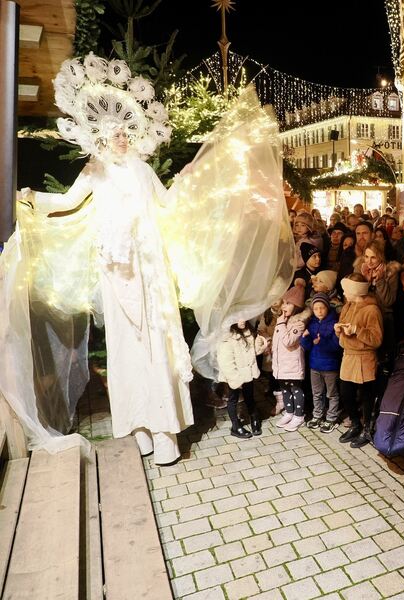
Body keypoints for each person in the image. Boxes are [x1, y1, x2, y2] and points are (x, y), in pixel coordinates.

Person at [1, 55, 292, 463]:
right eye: (115, 132)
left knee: (157, 347)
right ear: (101, 135)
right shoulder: (95, 171)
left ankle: (165, 432)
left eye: (126, 132)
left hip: (149, 272)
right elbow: (66, 201)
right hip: (116, 273)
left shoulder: (141, 170)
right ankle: (138, 428)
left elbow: (169, 203)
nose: (122, 137)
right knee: (126, 348)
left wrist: (197, 179)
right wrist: (30, 200)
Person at [336, 274, 384, 448]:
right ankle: (356, 424)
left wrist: (357, 330)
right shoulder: (348, 305)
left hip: (364, 358)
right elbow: (342, 324)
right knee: (346, 393)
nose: (343, 293)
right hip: (348, 355)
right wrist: (339, 329)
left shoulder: (372, 310)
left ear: (355, 290)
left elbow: (377, 339)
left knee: (366, 396)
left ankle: (367, 429)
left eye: (346, 289)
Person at [216, 320, 267, 439]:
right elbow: (225, 362)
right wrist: (235, 379)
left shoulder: (248, 333)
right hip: (235, 375)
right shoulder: (227, 338)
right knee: (233, 399)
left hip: (247, 372)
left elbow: (254, 353)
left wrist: (259, 344)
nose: (242, 320)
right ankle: (235, 426)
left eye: (244, 317)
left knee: (249, 396)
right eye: (238, 318)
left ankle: (254, 417)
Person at [300, 293, 342, 434]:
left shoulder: (333, 323)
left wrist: (322, 342)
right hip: (314, 365)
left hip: (330, 366)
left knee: (332, 393)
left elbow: (337, 346)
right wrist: (305, 338)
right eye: (316, 308)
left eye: (322, 308)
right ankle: (317, 415)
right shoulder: (311, 323)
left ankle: (331, 418)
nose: (319, 311)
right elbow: (307, 346)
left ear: (327, 308)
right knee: (316, 393)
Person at [272, 283, 309, 432]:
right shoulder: (284, 321)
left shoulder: (298, 323)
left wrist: (280, 323)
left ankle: (299, 415)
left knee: (295, 389)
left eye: (288, 304)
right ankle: (289, 412)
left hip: (292, 363)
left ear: (297, 306)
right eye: (284, 303)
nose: (284, 307)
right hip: (282, 363)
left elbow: (288, 341)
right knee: (285, 388)